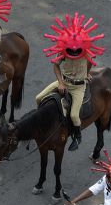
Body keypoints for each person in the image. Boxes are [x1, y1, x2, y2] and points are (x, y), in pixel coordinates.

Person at [36, 12, 105, 151]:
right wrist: (60, 82)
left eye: (76, 50)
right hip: (64, 82)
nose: (73, 52)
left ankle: (77, 136)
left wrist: (86, 74)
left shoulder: (86, 52)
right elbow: (55, 65)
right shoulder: (63, 51)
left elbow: (91, 63)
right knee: (38, 98)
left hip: (78, 87)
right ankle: (43, 121)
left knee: (74, 115)